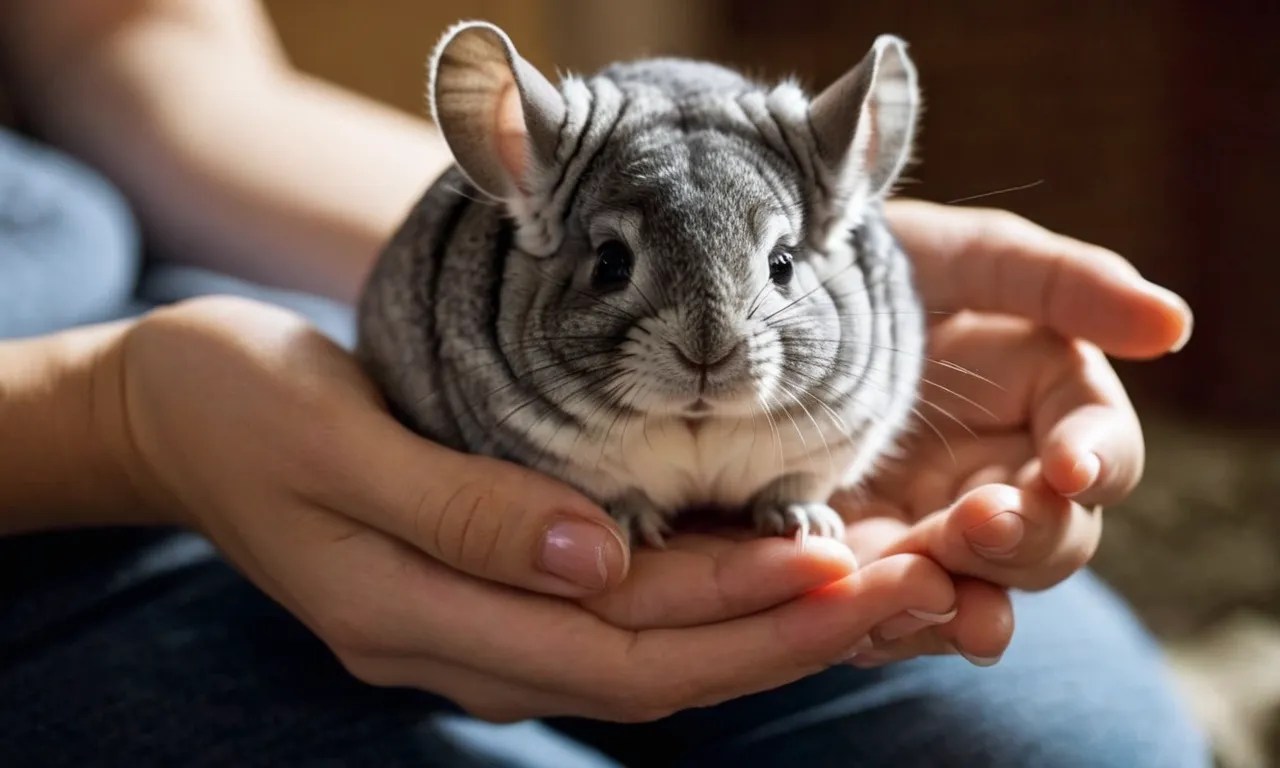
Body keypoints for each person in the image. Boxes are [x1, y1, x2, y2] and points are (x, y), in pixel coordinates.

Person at [0, 2, 1208, 766]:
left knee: (1082, 737)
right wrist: (119, 419)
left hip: (186, 309)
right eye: (618, 268)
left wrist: (800, 453)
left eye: (783, 268)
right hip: (76, 473)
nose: (706, 350)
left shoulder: (843, 292)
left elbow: (154, 69)